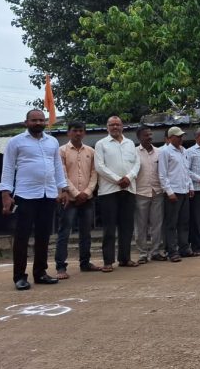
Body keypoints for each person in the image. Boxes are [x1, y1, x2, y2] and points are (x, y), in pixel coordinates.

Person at [0, 109, 68, 290]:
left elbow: (57, 166)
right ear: (26, 122)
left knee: (43, 236)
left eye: (41, 120)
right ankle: (19, 277)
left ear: (45, 122)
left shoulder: (52, 141)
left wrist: (63, 189)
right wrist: (6, 194)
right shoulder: (16, 142)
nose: (38, 123)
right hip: (25, 195)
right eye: (34, 120)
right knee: (22, 237)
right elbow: (8, 168)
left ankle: (40, 273)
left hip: (48, 194)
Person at [95, 116, 141, 272]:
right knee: (109, 227)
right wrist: (117, 180)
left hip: (128, 189)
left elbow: (137, 163)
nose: (115, 127)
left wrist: (129, 177)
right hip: (109, 191)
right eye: (111, 125)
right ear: (107, 127)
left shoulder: (130, 144)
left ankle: (125, 258)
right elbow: (99, 166)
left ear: (122, 126)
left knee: (127, 226)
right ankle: (108, 261)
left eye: (117, 124)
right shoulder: (101, 144)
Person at [55, 120, 100, 278]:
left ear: (84, 133)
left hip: (87, 199)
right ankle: (61, 267)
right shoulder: (61, 151)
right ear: (68, 132)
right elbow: (61, 174)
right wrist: (76, 193)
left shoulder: (91, 151)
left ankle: (85, 263)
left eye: (81, 130)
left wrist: (86, 192)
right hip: (69, 199)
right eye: (74, 130)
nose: (78, 133)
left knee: (86, 232)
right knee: (64, 232)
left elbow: (94, 174)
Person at [158, 126, 195, 262]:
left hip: (184, 191)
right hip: (173, 192)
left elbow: (186, 171)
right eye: (178, 136)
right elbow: (162, 174)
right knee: (171, 224)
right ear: (170, 137)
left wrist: (190, 186)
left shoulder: (184, 151)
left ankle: (184, 248)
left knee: (184, 222)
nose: (181, 138)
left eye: (181, 136)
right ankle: (172, 251)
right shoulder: (165, 151)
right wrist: (169, 192)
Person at [134, 125, 166, 263]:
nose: (149, 137)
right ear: (139, 137)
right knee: (140, 226)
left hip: (157, 192)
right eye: (146, 135)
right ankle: (142, 253)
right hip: (140, 192)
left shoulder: (159, 152)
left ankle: (155, 252)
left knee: (157, 224)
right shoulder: (133, 152)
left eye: (150, 134)